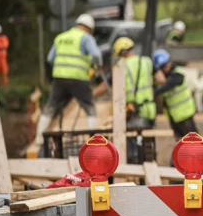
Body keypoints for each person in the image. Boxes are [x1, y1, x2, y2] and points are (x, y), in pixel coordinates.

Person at [34, 14, 102, 145]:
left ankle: (39, 138)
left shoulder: (61, 37)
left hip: (59, 78)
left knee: (51, 106)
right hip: (79, 77)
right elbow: (96, 55)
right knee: (89, 107)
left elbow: (49, 59)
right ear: (89, 29)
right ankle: (94, 140)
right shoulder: (86, 38)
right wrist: (95, 66)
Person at [152, 49, 203, 169]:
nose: (165, 68)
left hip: (185, 115)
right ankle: (189, 165)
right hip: (175, 118)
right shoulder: (162, 80)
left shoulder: (177, 74)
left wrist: (157, 90)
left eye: (166, 65)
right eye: (162, 67)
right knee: (182, 143)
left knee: (194, 142)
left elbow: (173, 83)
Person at [93, 37, 157, 129]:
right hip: (150, 110)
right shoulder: (147, 61)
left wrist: (91, 96)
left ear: (122, 53)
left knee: (132, 141)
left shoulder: (120, 66)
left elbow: (105, 86)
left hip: (134, 111)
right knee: (146, 141)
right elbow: (161, 79)